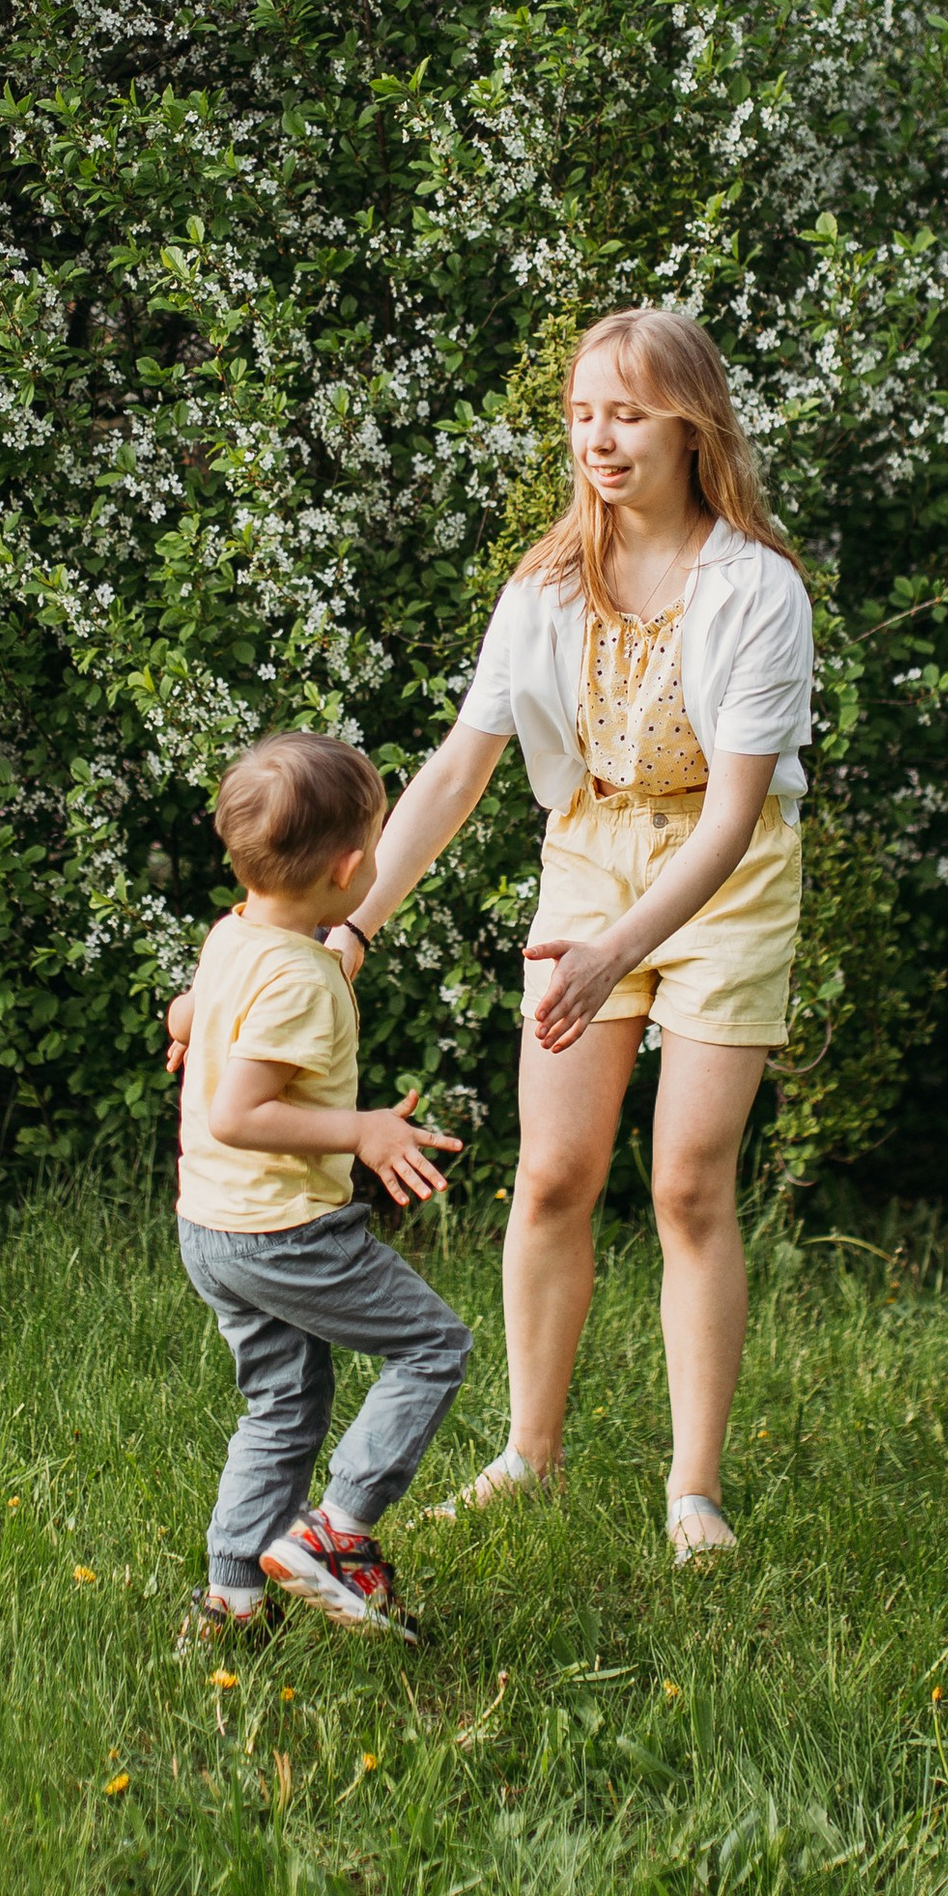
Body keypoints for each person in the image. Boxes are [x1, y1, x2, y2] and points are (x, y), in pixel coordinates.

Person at [329, 308, 811, 1563]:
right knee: (551, 1176)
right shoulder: (545, 585)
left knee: (688, 1185)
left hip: (727, 870)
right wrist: (353, 928)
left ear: (690, 424)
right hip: (591, 854)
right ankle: (526, 1457)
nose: (600, 438)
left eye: (629, 411)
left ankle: (691, 1491)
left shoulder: (756, 589)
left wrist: (611, 957)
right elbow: (451, 777)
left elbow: (734, 820)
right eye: (583, 412)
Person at [165, 731, 470, 1636]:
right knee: (433, 1346)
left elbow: (194, 1008)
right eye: (375, 846)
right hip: (285, 1231)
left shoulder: (235, 935)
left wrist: (193, 1026)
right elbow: (240, 1112)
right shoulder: (298, 980)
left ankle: (231, 1597)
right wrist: (362, 1128)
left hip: (213, 1228)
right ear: (347, 869)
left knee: (286, 1401)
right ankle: (336, 1534)